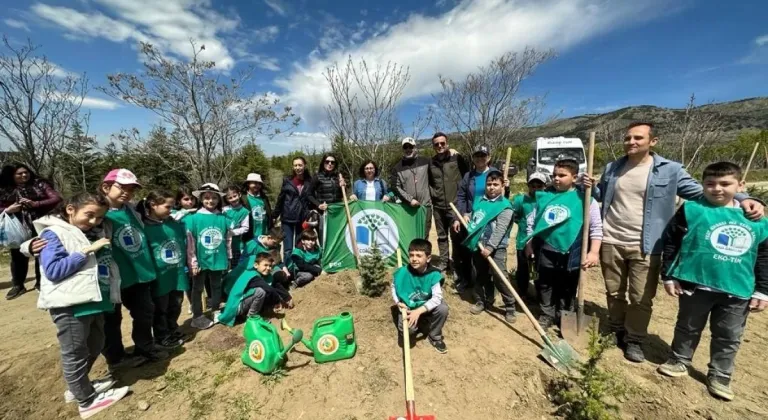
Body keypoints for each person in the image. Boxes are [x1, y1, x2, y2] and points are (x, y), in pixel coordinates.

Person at [582, 122, 764, 363]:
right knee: (614, 291)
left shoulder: (670, 170)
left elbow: (704, 192)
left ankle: (634, 339)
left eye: (638, 138)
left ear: (652, 141)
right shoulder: (613, 168)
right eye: (627, 138)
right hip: (611, 239)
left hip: (648, 244)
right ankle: (615, 328)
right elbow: (601, 197)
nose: (631, 142)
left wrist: (744, 198)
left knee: (640, 298)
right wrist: (590, 186)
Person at [657, 162, 768, 401]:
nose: (717, 189)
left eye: (725, 184)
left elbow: (763, 257)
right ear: (703, 184)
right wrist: (668, 275)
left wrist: (762, 291)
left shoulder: (756, 219)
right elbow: (671, 242)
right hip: (695, 283)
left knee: (728, 334)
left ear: (741, 185)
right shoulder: (691, 209)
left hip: (737, 288)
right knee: (687, 326)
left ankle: (720, 374)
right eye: (710, 184)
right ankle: (679, 360)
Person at [35, 192, 129, 419]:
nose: (94, 222)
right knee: (75, 352)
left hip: (93, 300)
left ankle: (78, 388)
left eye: (99, 218)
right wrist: (86, 251)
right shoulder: (54, 233)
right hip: (70, 304)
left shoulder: (88, 232)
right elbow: (54, 270)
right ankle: (86, 401)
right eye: (89, 215)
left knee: (96, 343)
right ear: (70, 209)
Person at [100, 169, 166, 367]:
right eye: (122, 187)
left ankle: (145, 348)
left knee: (145, 312)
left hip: (138, 273)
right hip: (113, 276)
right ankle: (116, 357)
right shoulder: (97, 212)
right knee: (111, 319)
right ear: (106, 187)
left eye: (131, 189)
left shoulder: (131, 210)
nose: (126, 192)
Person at [526, 159, 603, 330]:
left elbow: (596, 228)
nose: (556, 179)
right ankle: (547, 313)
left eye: (562, 175)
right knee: (545, 283)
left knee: (568, 285)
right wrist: (529, 244)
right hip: (546, 249)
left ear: (574, 177)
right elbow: (532, 222)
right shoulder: (544, 197)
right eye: (554, 175)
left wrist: (594, 252)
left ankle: (564, 315)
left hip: (572, 251)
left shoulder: (586, 199)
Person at [461, 170, 518, 323]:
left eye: (495, 184)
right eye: (489, 184)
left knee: (500, 277)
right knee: (480, 274)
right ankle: (482, 300)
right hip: (478, 245)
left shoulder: (505, 206)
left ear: (502, 186)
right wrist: (467, 215)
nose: (492, 187)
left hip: (496, 248)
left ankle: (510, 307)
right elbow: (476, 217)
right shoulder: (480, 201)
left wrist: (491, 247)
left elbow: (500, 229)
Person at [0, 163, 62, 298]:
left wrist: (36, 204)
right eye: (19, 174)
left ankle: (41, 282)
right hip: (17, 226)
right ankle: (18, 284)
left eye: (26, 172)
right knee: (17, 255)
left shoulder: (40, 184)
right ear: (11, 176)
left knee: (42, 251)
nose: (24, 175)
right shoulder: (4, 188)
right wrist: (8, 210)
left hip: (40, 222)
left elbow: (56, 198)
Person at [453, 145, 507, 291]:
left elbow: (502, 198)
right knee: (470, 252)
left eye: (483, 155)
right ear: (473, 158)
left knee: (489, 252)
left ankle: (491, 288)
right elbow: (461, 196)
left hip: (490, 218)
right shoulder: (468, 176)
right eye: (477, 156)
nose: (480, 158)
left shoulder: (495, 173)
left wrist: (506, 188)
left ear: (488, 157)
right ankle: (471, 282)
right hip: (472, 219)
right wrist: (460, 216)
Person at [137, 191, 187, 350]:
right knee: (161, 308)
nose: (170, 210)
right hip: (160, 277)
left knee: (176, 304)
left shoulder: (172, 223)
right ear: (153, 205)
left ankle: (173, 329)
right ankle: (161, 336)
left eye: (172, 207)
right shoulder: (144, 227)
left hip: (176, 273)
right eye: (167, 206)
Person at [186, 183, 232, 329]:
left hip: (218, 257)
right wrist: (193, 262)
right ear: (201, 199)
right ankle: (197, 315)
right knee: (197, 288)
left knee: (216, 286)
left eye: (214, 198)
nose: (210, 201)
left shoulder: (223, 218)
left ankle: (216, 310)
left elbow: (227, 239)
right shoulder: (193, 218)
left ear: (219, 199)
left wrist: (228, 257)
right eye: (206, 198)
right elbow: (191, 242)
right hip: (200, 260)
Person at [391, 238, 449, 353]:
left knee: (443, 308)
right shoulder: (402, 272)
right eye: (411, 255)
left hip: (425, 304)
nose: (414, 259)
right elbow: (394, 287)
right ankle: (420, 323)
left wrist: (418, 312)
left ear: (428, 258)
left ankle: (434, 336)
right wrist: (398, 302)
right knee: (408, 332)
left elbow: (437, 298)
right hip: (408, 307)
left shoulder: (433, 274)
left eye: (418, 255)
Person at [428, 132, 470, 275]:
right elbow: (428, 182)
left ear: (447, 143)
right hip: (438, 206)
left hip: (455, 206)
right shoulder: (431, 163)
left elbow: (467, 176)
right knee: (441, 237)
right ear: (433, 146)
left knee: (456, 237)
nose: (440, 146)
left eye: (442, 143)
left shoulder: (457, 158)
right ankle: (444, 263)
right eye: (436, 144)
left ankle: (457, 265)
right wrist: (434, 194)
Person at [219, 252, 293, 326]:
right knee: (260, 292)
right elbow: (268, 289)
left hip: (243, 303)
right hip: (235, 307)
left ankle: (251, 314)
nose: (268, 268)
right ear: (256, 265)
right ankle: (251, 318)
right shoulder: (253, 276)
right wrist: (277, 301)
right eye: (265, 265)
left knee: (265, 292)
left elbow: (274, 284)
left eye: (270, 266)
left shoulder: (263, 275)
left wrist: (287, 297)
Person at [510, 173, 548, 298]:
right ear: (528, 186)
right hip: (524, 241)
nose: (536, 188)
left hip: (541, 243)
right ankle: (522, 292)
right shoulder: (520, 200)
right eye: (533, 186)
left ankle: (539, 294)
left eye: (539, 186)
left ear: (544, 186)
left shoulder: (548, 200)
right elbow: (514, 216)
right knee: (523, 269)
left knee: (537, 270)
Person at [391, 137, 432, 239]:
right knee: (409, 234)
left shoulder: (426, 161)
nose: (408, 149)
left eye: (410, 147)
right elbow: (395, 187)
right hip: (408, 207)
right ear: (403, 149)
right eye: (405, 147)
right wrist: (410, 200)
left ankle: (423, 255)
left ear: (415, 147)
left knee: (425, 233)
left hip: (425, 205)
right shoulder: (397, 168)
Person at [274, 157, 312, 262]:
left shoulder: (309, 181)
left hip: (302, 218)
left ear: (305, 165)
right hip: (287, 217)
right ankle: (288, 270)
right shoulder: (287, 180)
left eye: (300, 165)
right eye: (295, 165)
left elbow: (312, 198)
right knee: (288, 248)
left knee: (299, 245)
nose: (297, 167)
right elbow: (281, 198)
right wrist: (274, 215)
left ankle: (297, 267)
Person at [308, 153, 346, 242]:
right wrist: (318, 205)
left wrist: (344, 186)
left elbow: (342, 194)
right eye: (327, 161)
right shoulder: (317, 176)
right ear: (323, 163)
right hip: (323, 213)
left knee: (336, 239)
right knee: (324, 239)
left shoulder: (338, 177)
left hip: (337, 213)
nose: (330, 164)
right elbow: (308, 194)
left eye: (332, 162)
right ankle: (324, 256)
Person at [223, 185, 250, 268]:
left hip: (236, 244)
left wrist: (233, 232)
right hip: (223, 243)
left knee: (235, 266)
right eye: (230, 198)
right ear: (226, 199)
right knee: (225, 266)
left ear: (239, 194)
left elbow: (245, 228)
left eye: (235, 196)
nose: (233, 199)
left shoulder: (244, 211)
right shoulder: (224, 210)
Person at [242, 173, 272, 242]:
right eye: (255, 183)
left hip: (264, 235)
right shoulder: (243, 199)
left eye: (259, 184)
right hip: (249, 235)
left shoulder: (264, 198)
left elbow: (269, 214)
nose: (257, 186)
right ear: (248, 184)